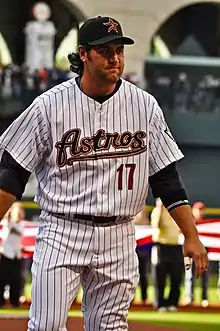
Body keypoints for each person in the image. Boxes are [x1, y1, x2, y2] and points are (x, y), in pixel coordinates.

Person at [0, 15, 208, 331]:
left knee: (110, 328)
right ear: (83, 54)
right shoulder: (49, 106)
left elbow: (165, 178)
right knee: (46, 326)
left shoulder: (144, 106)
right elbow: (12, 174)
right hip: (62, 229)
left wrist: (191, 235)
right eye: (105, 50)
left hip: (119, 233)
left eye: (119, 50)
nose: (115, 58)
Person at [151, 198, 184, 312]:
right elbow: (156, 225)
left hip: (176, 246)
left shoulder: (176, 212)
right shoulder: (157, 211)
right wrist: (160, 208)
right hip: (161, 245)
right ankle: (160, 304)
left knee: (176, 276)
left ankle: (172, 303)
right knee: (160, 276)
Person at [184, 201, 209, 307]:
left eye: (201, 210)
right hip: (191, 253)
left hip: (204, 254)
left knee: (205, 276)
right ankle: (190, 297)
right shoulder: (189, 223)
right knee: (190, 276)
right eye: (198, 210)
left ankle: (204, 298)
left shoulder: (208, 224)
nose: (200, 212)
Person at [0, 202, 24, 307]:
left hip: (16, 255)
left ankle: (15, 301)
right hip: (6, 254)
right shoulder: (7, 223)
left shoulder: (20, 225)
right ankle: (1, 301)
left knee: (16, 280)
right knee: (2, 279)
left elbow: (18, 231)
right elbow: (7, 222)